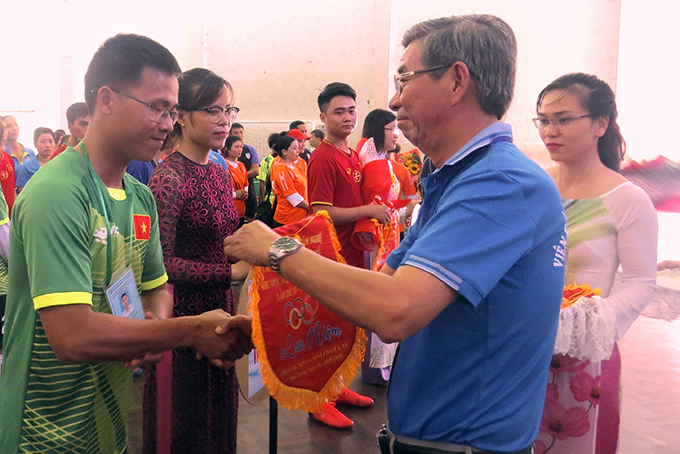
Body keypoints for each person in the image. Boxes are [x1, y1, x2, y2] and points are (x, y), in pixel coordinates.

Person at [225, 14, 566, 453]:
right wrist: (276, 327)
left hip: (465, 443)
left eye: (405, 78)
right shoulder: (454, 179)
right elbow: (384, 285)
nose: (393, 97)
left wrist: (277, 248)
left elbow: (395, 312)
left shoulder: (500, 184)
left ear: (457, 80)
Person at [0, 34, 252, 454]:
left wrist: (151, 330)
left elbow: (155, 285)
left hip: (106, 413)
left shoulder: (139, 196)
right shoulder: (58, 192)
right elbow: (72, 336)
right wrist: (187, 331)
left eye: (172, 111)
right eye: (156, 107)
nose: (168, 123)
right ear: (106, 99)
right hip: (45, 425)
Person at [532, 73, 657, 454]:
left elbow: (640, 282)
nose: (550, 130)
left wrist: (588, 321)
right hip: (524, 342)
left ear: (600, 124)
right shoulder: (535, 186)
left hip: (583, 357)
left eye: (564, 119)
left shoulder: (628, 200)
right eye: (543, 119)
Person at [146, 67, 246, 454]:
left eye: (229, 110)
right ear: (182, 116)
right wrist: (229, 271)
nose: (226, 122)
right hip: (183, 317)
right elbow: (162, 262)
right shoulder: (168, 177)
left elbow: (226, 239)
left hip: (222, 308)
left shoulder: (219, 174)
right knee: (185, 419)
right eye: (213, 111)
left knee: (219, 412)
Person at [355, 108, 419, 386]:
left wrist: (408, 209)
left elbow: (400, 203)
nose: (397, 134)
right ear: (378, 130)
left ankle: (384, 363)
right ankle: (374, 366)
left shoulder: (390, 164)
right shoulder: (368, 159)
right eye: (391, 128)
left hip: (389, 235)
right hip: (373, 238)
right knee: (375, 298)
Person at [271, 135, 309, 225]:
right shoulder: (282, 169)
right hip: (287, 220)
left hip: (299, 218)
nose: (298, 151)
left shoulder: (294, 167)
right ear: (284, 151)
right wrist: (309, 207)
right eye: (294, 148)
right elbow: (292, 196)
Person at [229, 122, 259, 219]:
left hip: (247, 190)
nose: (239, 135)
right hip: (232, 198)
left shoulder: (250, 150)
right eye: (236, 133)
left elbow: (255, 171)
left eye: (241, 132)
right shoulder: (222, 159)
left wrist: (243, 190)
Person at [223, 134, 250, 226]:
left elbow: (246, 183)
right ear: (227, 149)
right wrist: (235, 194)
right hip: (228, 210)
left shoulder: (241, 165)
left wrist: (245, 192)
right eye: (236, 147)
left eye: (241, 147)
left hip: (241, 209)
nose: (240, 150)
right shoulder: (223, 165)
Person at [257, 132, 280, 203]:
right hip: (271, 200)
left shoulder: (286, 160)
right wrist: (262, 201)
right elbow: (262, 183)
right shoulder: (266, 161)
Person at [0, 117, 16, 215]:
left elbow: (13, 190)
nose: (5, 132)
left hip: (9, 218)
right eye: (4, 128)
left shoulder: (8, 158)